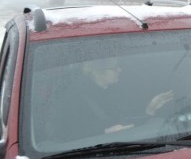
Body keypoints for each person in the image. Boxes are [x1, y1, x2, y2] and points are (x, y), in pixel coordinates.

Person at [46, 58, 174, 141]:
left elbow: (126, 120)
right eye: (114, 68)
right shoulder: (72, 98)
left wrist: (149, 109)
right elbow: (64, 134)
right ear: (97, 71)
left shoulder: (120, 90)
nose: (120, 70)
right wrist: (104, 132)